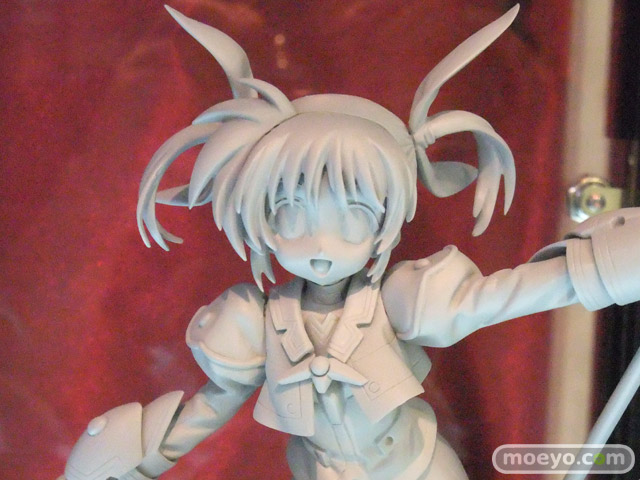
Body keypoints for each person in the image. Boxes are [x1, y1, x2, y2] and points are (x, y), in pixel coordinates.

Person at [61, 5, 640, 480]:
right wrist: (131, 460)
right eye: (290, 213)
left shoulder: (403, 299)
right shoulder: (256, 322)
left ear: (385, 221)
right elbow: (212, 407)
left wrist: (603, 266)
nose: (320, 243)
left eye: (354, 217)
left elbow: (505, 296)